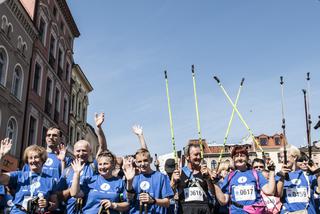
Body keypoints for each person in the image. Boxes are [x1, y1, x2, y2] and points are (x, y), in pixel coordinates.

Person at [60, 112, 108, 214]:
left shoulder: (93, 166)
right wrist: (72, 190)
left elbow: (103, 148)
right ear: (73, 152)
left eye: (84, 150)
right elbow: (59, 196)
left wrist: (99, 128)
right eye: (78, 151)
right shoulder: (67, 171)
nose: (81, 153)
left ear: (90, 152)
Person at [0, 138, 58, 213]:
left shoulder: (50, 180)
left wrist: (47, 204)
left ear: (42, 159)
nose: (33, 160)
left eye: (36, 157)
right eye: (30, 158)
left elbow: (55, 204)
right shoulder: (19, 175)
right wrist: (1, 156)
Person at [213, 145, 276, 214]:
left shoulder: (256, 174)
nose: (239, 158)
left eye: (242, 155)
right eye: (236, 156)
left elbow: (270, 191)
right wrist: (214, 183)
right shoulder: (229, 177)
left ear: (247, 158)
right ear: (233, 159)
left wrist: (272, 171)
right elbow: (223, 201)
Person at [124, 148, 173, 213]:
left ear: (151, 160)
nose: (143, 164)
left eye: (145, 160)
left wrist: (153, 200)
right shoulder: (133, 177)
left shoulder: (161, 177)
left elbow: (167, 203)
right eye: (139, 161)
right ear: (136, 162)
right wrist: (129, 181)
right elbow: (129, 199)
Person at [171, 142, 215, 214]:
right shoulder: (179, 172)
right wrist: (174, 181)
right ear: (187, 157)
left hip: (203, 209)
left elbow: (213, 193)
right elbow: (170, 194)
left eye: (199, 154)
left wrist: (208, 179)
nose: (198, 157)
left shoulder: (206, 170)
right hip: (185, 209)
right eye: (195, 155)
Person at [276, 146, 319, 213]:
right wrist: (282, 176)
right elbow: (279, 195)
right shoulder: (279, 175)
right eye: (281, 157)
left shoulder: (307, 175)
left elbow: (318, 190)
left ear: (295, 157)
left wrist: (317, 173)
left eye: (284, 157)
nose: (282, 160)